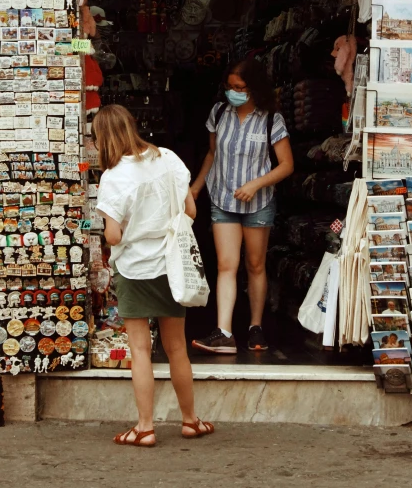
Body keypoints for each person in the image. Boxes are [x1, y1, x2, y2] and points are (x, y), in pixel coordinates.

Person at [94, 104, 214, 447]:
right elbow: (190, 209)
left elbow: (114, 236)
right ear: (132, 126)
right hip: (169, 265)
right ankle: (190, 421)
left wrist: (106, 232)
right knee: (177, 348)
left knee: (140, 350)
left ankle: (145, 427)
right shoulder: (168, 159)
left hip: (134, 269)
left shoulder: (113, 177)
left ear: (102, 138)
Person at [190, 58, 294, 354]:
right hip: (222, 199)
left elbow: (287, 165)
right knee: (226, 265)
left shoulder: (271, 119)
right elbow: (212, 155)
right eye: (230, 87)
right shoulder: (219, 112)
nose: (233, 92)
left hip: (259, 202)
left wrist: (256, 184)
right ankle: (223, 332)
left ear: (255, 89)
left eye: (240, 88)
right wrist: (196, 188)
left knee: (255, 265)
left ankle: (255, 327)